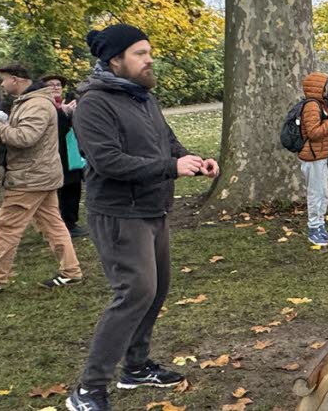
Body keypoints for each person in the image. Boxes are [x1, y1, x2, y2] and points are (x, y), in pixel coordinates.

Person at [66, 24, 219, 411]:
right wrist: (170, 166)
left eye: (148, 51)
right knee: (133, 293)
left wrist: (194, 161)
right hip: (119, 215)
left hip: (153, 209)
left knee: (155, 290)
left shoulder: (142, 97)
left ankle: (135, 367)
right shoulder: (94, 103)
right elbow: (108, 161)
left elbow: (165, 140)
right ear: (114, 59)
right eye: (139, 53)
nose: (149, 59)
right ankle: (89, 389)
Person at [0, 63, 83, 297]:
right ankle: (71, 272)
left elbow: (25, 138)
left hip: (30, 179)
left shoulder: (36, 104)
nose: (2, 85)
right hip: (41, 175)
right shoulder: (32, 101)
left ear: (16, 79)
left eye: (3, 80)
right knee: (54, 225)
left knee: (7, 227)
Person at [298, 72, 328, 245]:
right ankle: (314, 229)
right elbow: (314, 133)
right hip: (312, 157)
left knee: (323, 193)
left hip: (320, 155)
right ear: (318, 87)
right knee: (315, 193)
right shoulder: (311, 106)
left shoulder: (320, 105)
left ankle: (320, 226)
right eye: (326, 85)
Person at [42, 74, 88, 238]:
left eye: (58, 85)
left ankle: (70, 222)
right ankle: (61, 224)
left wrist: (73, 112)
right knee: (60, 189)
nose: (55, 87)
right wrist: (63, 113)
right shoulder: (43, 106)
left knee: (73, 186)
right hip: (54, 154)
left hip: (71, 154)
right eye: (51, 85)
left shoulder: (67, 103)